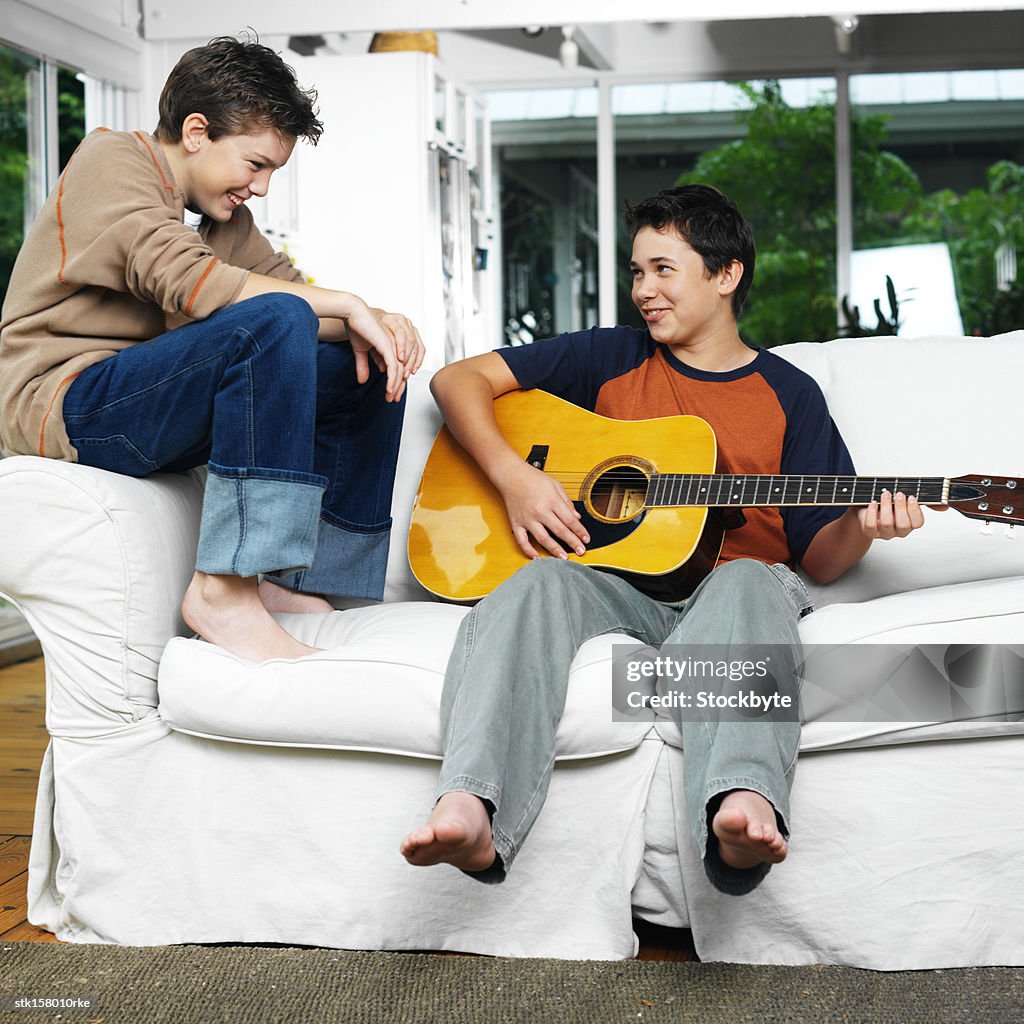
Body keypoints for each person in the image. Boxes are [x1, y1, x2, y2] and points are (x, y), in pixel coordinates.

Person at [400, 184, 927, 895]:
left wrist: (863, 525)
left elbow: (823, 561)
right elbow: (458, 380)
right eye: (636, 272)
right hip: (615, 587)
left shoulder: (790, 394)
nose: (643, 290)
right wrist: (513, 479)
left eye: (663, 270)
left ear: (726, 275)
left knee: (744, 581)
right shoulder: (611, 357)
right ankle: (471, 803)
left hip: (732, 598)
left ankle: (742, 803)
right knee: (535, 582)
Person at [0, 36, 425, 664]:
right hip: (63, 401)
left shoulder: (223, 221)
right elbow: (188, 281)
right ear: (196, 131)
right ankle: (224, 591)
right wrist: (346, 304)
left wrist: (377, 320)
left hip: (142, 403)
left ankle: (306, 582)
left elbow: (300, 301)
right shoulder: (110, 159)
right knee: (276, 316)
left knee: (358, 365)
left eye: (272, 171)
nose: (261, 187)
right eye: (255, 165)